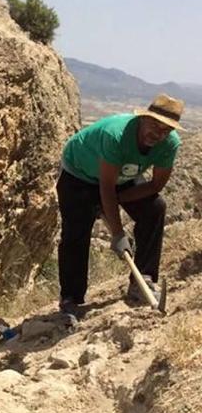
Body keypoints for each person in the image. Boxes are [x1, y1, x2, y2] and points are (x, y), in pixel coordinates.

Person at [57, 94, 183, 319]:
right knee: (76, 233)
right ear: (143, 118)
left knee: (155, 209)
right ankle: (71, 299)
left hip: (121, 179)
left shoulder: (169, 144)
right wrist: (118, 234)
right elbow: (105, 188)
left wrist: (119, 200)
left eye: (166, 130)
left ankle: (142, 279)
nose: (158, 133)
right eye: (154, 125)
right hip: (80, 174)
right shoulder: (116, 135)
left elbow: (155, 185)